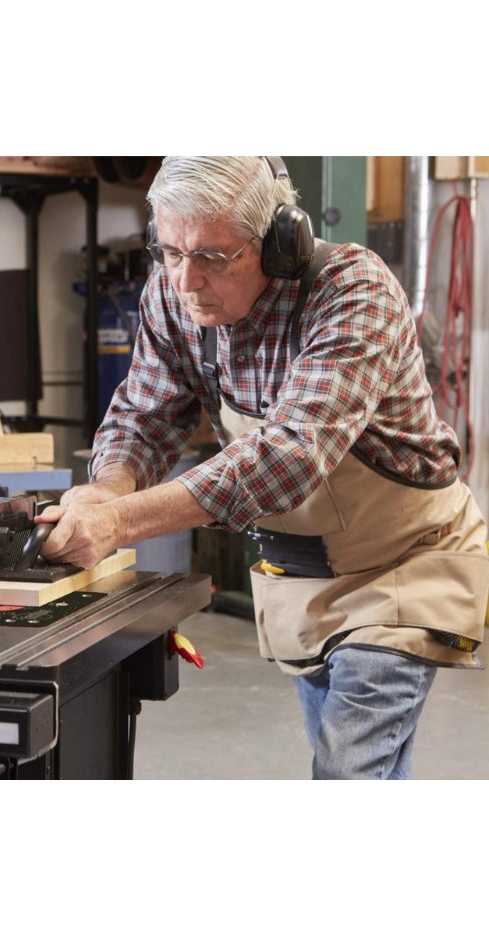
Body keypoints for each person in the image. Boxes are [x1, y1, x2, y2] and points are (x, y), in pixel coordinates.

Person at [37, 155, 489, 780]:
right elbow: (143, 414)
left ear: (279, 241)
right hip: (305, 581)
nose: (187, 280)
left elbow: (290, 455)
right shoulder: (172, 297)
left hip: (404, 568)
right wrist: (103, 491)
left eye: (213, 256)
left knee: (348, 771)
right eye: (169, 251)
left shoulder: (352, 291)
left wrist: (121, 524)